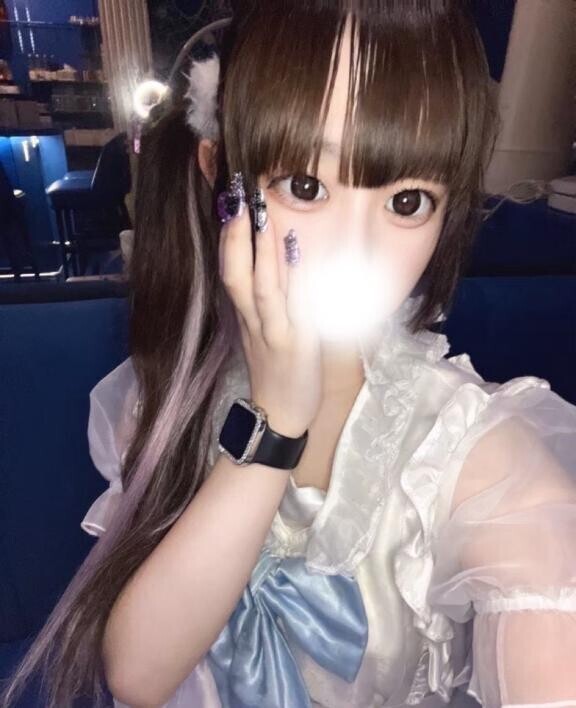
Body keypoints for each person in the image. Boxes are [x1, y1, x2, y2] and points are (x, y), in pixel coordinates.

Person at [2, 2, 576, 707]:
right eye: (306, 187)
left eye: (408, 202)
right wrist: (274, 420)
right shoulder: (171, 398)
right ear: (222, 178)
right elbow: (138, 675)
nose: (355, 250)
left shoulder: (474, 455)